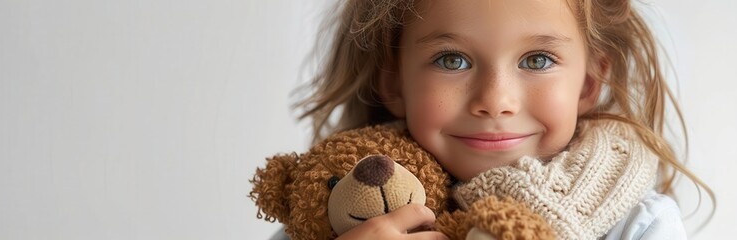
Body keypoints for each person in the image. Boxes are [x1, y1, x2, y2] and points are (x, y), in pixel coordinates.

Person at [293, 0, 714, 239]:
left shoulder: (639, 226)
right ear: (396, 86)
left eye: (537, 59)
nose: (495, 101)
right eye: (452, 60)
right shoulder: (334, 214)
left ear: (587, 84)